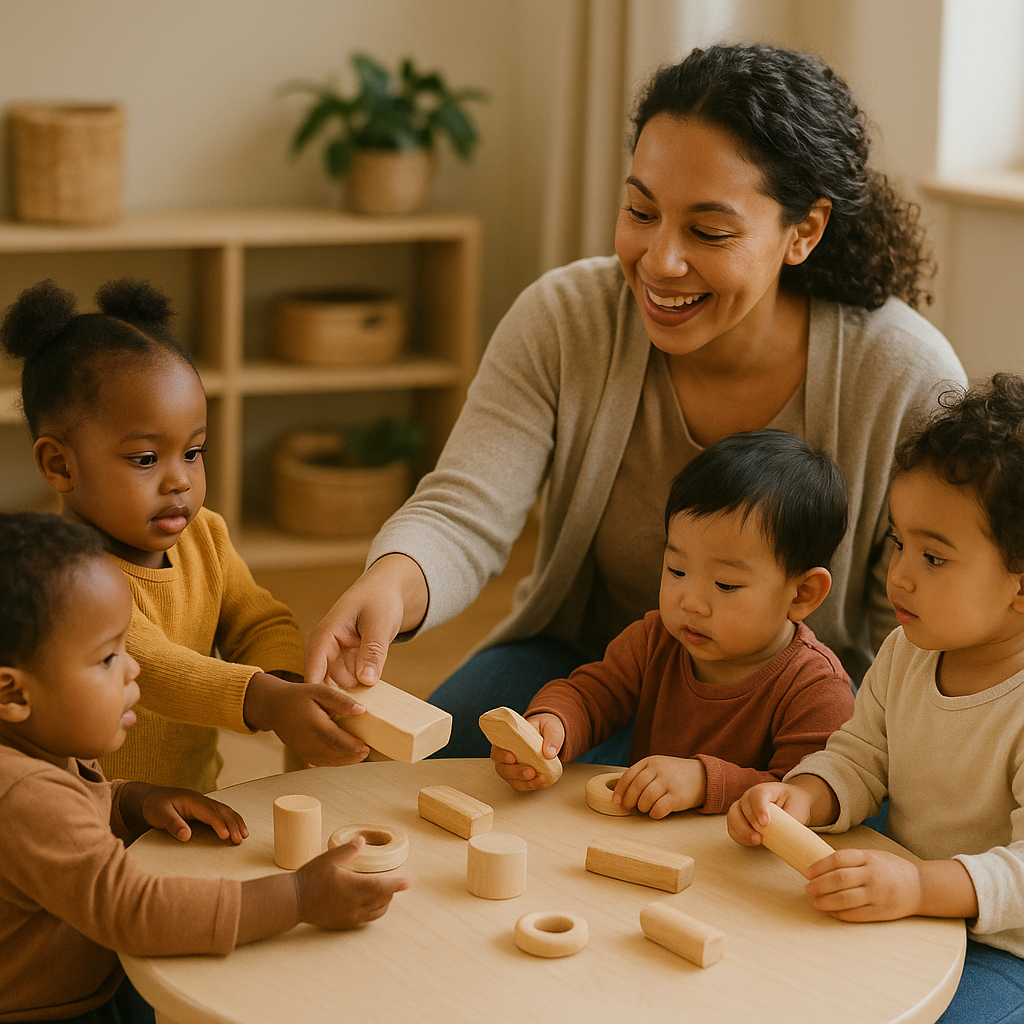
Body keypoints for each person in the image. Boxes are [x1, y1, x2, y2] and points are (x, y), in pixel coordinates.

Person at [305, 43, 966, 760]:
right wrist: (390, 584)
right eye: (640, 211)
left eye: (708, 231)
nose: (660, 261)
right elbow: (466, 508)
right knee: (434, 773)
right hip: (586, 669)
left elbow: (917, 622)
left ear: (802, 232)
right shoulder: (565, 320)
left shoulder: (903, 375)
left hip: (798, 702)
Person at [0, 511, 407, 1024]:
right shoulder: (24, 795)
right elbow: (135, 910)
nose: (133, 667)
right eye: (107, 659)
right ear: (14, 694)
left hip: (86, 976)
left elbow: (77, 806)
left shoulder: (39, 741)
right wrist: (298, 897)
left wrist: (134, 801)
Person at [728, 374, 1024, 1024]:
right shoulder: (906, 652)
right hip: (908, 905)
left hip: (1003, 948)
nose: (900, 574)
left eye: (934, 558)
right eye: (898, 542)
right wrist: (802, 797)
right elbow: (859, 758)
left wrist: (919, 886)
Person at [0, 278, 372, 794]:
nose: (179, 480)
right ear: (60, 464)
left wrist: (287, 683)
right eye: (145, 459)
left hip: (190, 797)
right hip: (94, 810)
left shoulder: (206, 536)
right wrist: (265, 701)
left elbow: (259, 621)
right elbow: (153, 668)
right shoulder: (66, 577)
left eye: (193, 452)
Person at [491, 430, 855, 815]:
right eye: (677, 570)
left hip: (735, 853)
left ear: (802, 594)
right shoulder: (654, 641)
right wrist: (553, 725)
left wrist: (704, 782)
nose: (691, 602)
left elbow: (803, 796)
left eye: (726, 584)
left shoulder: (818, 690)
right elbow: (592, 694)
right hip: (643, 841)